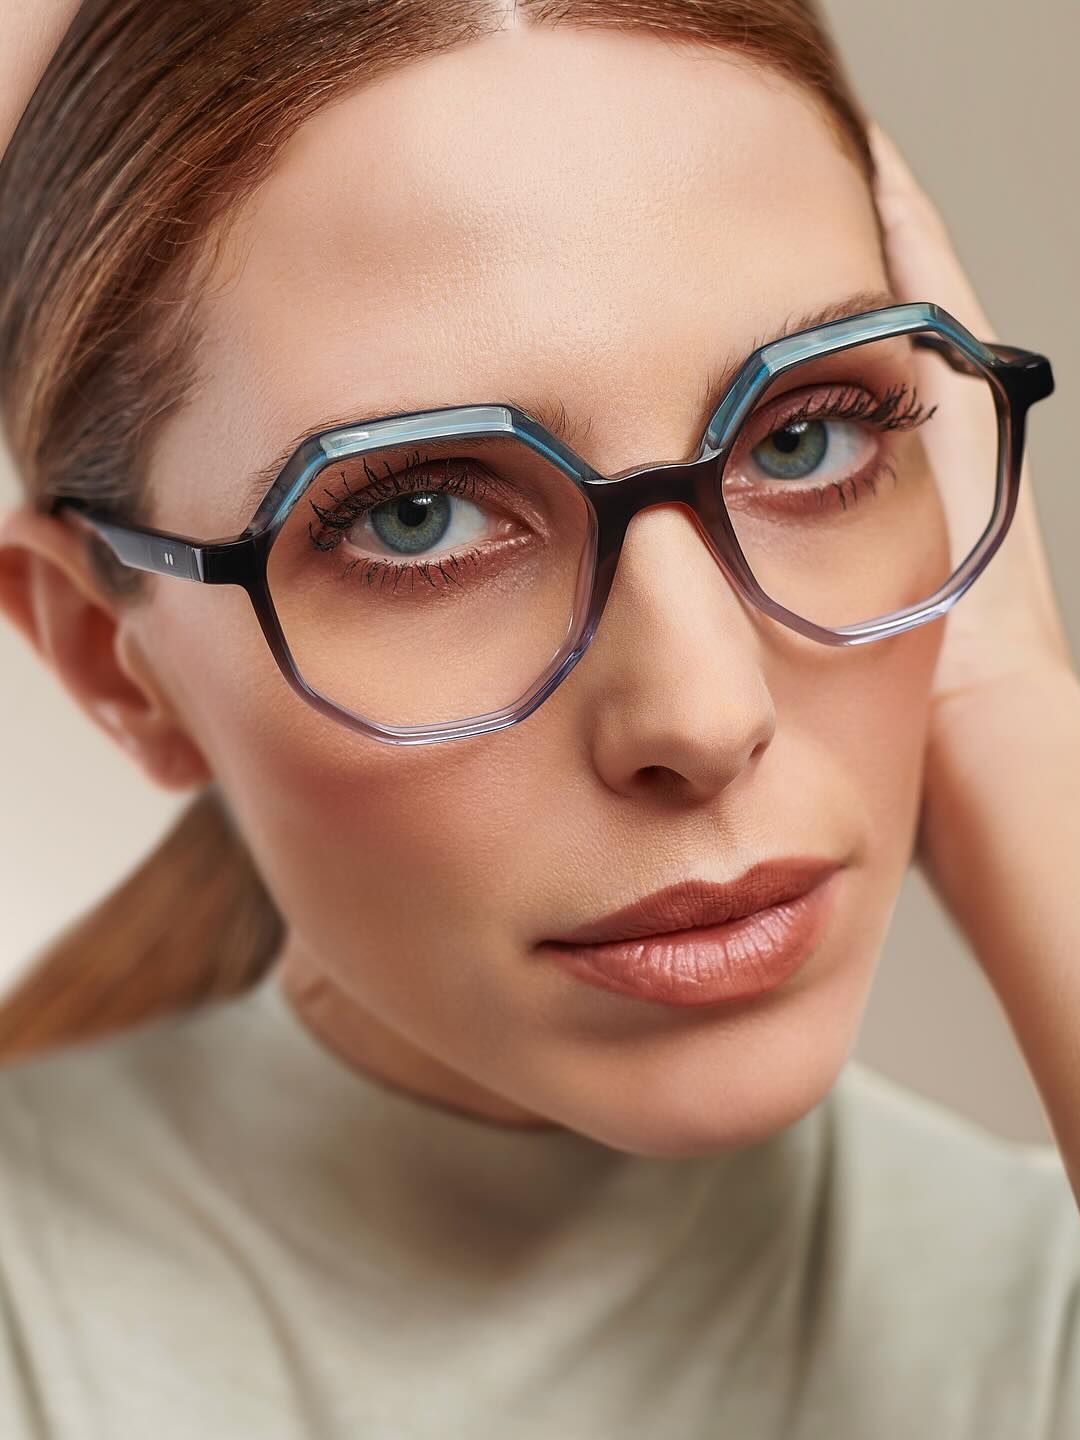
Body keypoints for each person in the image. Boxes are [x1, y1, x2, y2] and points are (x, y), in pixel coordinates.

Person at [0, 1, 1078, 1435]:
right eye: (418, 514)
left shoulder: (1038, 1299)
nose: (703, 714)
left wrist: (1013, 719)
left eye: (809, 434)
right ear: (110, 658)